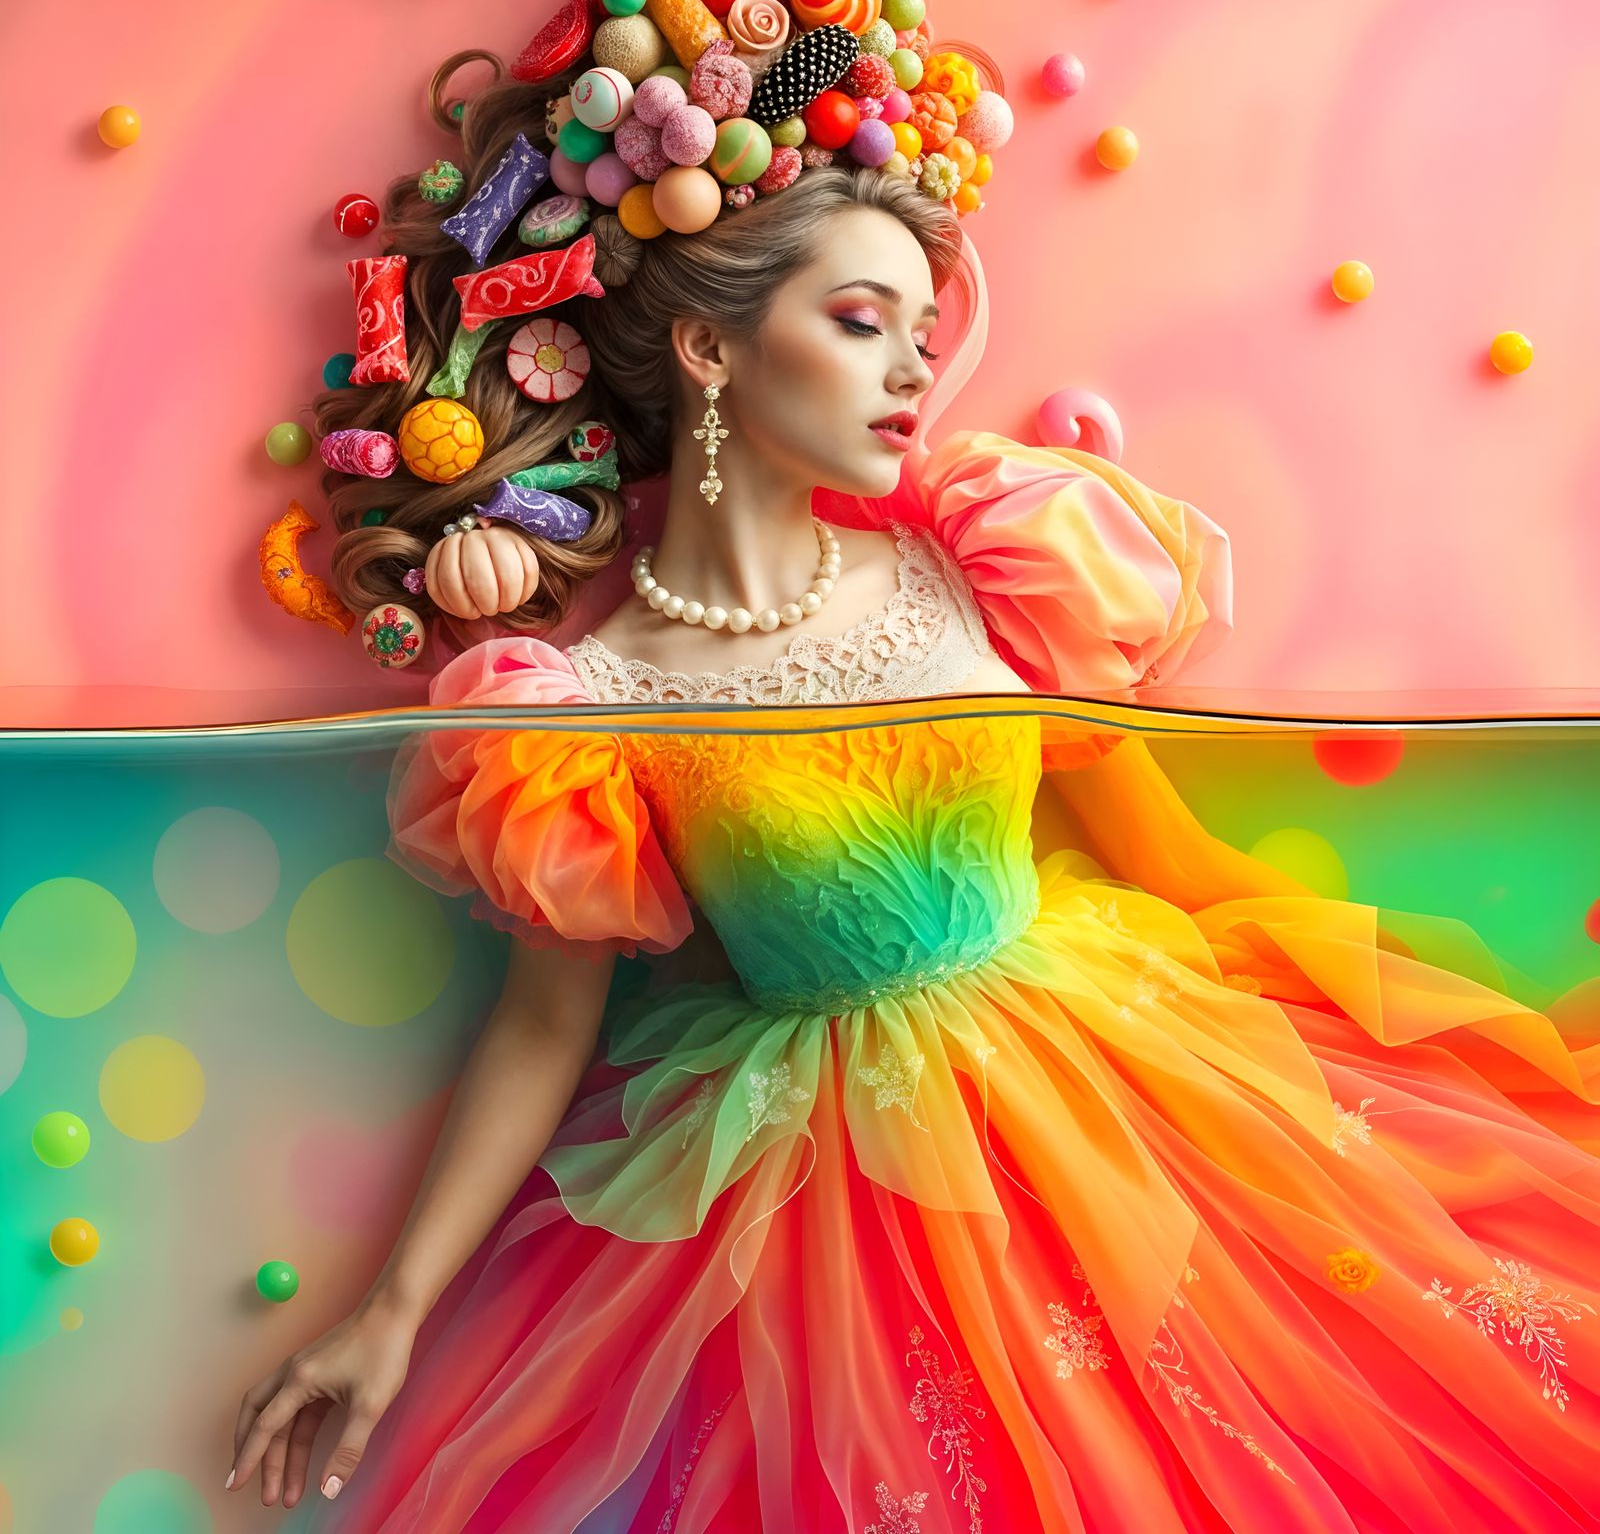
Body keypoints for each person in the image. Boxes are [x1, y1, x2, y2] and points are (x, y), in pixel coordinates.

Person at [227, 74, 1600, 1534]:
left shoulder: (994, 554)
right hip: (832, 1219)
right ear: (707, 345)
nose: (910, 376)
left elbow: (1179, 863)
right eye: (862, 323)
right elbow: (544, 1023)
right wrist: (394, 1306)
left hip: (1136, 1097)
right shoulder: (585, 707)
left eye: (920, 336)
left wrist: (1435, 1065)